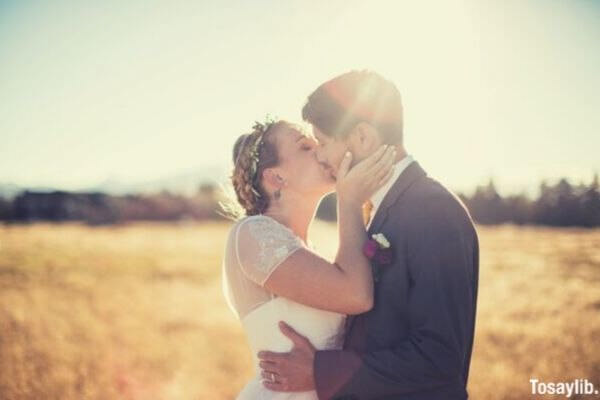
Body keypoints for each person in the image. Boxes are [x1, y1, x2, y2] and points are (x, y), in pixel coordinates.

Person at [257, 70, 480, 399]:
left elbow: (438, 359)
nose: (319, 155)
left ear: (362, 138)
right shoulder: (387, 207)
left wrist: (319, 371)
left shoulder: (433, 211)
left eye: (322, 142)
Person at [222, 117, 396, 399]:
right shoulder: (252, 233)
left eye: (319, 143)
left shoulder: (309, 251)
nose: (320, 150)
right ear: (276, 177)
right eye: (305, 147)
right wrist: (349, 200)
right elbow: (356, 295)